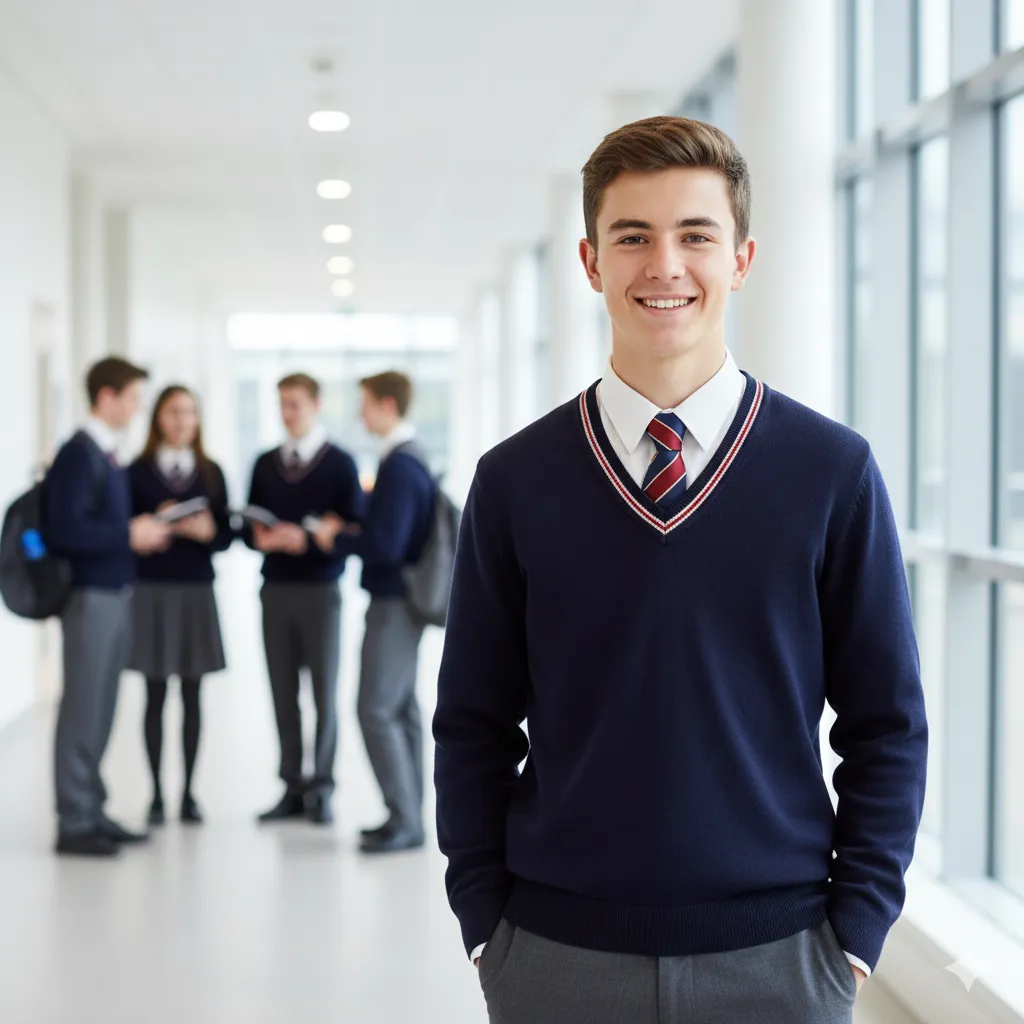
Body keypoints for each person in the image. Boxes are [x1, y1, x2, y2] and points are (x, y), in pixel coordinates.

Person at [433, 116, 928, 1024]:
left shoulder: (832, 472)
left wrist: (854, 934)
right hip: (553, 958)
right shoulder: (513, 481)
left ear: (741, 258)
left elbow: (887, 724)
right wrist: (483, 925)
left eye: (696, 235)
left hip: (780, 961)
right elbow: (471, 721)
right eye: (633, 237)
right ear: (590, 261)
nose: (664, 264)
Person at [44, 356, 172, 857]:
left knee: (101, 708)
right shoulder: (80, 454)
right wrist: (128, 533)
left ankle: (92, 809)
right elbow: (64, 530)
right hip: (90, 598)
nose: (139, 408)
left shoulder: (106, 453)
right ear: (107, 396)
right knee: (82, 708)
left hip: (115, 594)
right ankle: (74, 820)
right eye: (133, 397)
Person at [245, 372, 364, 826]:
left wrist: (310, 540)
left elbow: (355, 527)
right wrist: (263, 539)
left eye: (295, 403)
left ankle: (323, 789)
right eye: (282, 404)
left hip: (321, 592)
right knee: (282, 693)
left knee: (323, 692)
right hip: (274, 590)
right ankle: (292, 785)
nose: (287, 413)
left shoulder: (341, 464)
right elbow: (246, 527)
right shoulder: (263, 463)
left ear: (315, 406)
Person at [329, 372, 435, 854]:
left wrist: (336, 537)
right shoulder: (409, 460)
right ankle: (407, 812)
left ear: (387, 405)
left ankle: (404, 819)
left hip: (394, 602)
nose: (360, 413)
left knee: (374, 708)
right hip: (403, 601)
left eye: (365, 403)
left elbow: (385, 545)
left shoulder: (399, 466)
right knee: (400, 709)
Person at [127, 385, 234, 827]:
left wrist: (207, 532)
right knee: (153, 694)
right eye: (174, 412)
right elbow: (126, 533)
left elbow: (227, 535)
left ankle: (188, 793)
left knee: (192, 694)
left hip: (195, 591)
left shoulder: (211, 473)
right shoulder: (136, 471)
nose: (182, 420)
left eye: (190, 412)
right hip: (151, 591)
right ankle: (155, 794)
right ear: (158, 418)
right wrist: (155, 524)